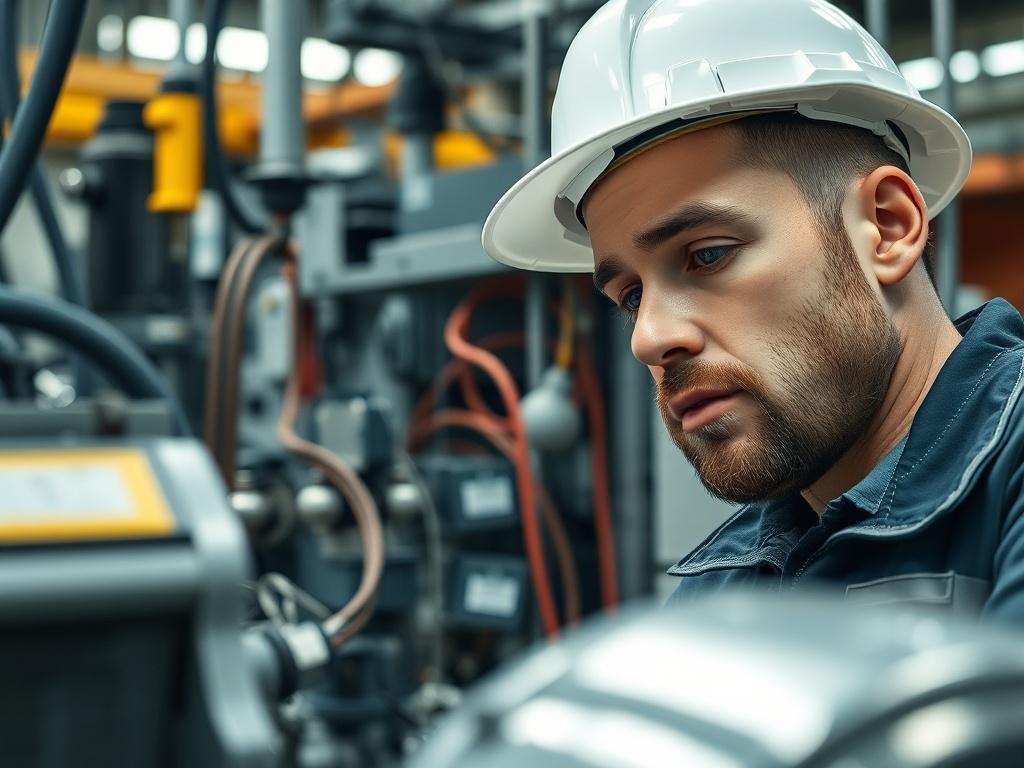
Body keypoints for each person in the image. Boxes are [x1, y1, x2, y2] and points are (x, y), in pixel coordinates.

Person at [483, 0, 1024, 620]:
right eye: (631, 296)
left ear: (886, 227)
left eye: (708, 254)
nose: (650, 338)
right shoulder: (723, 588)